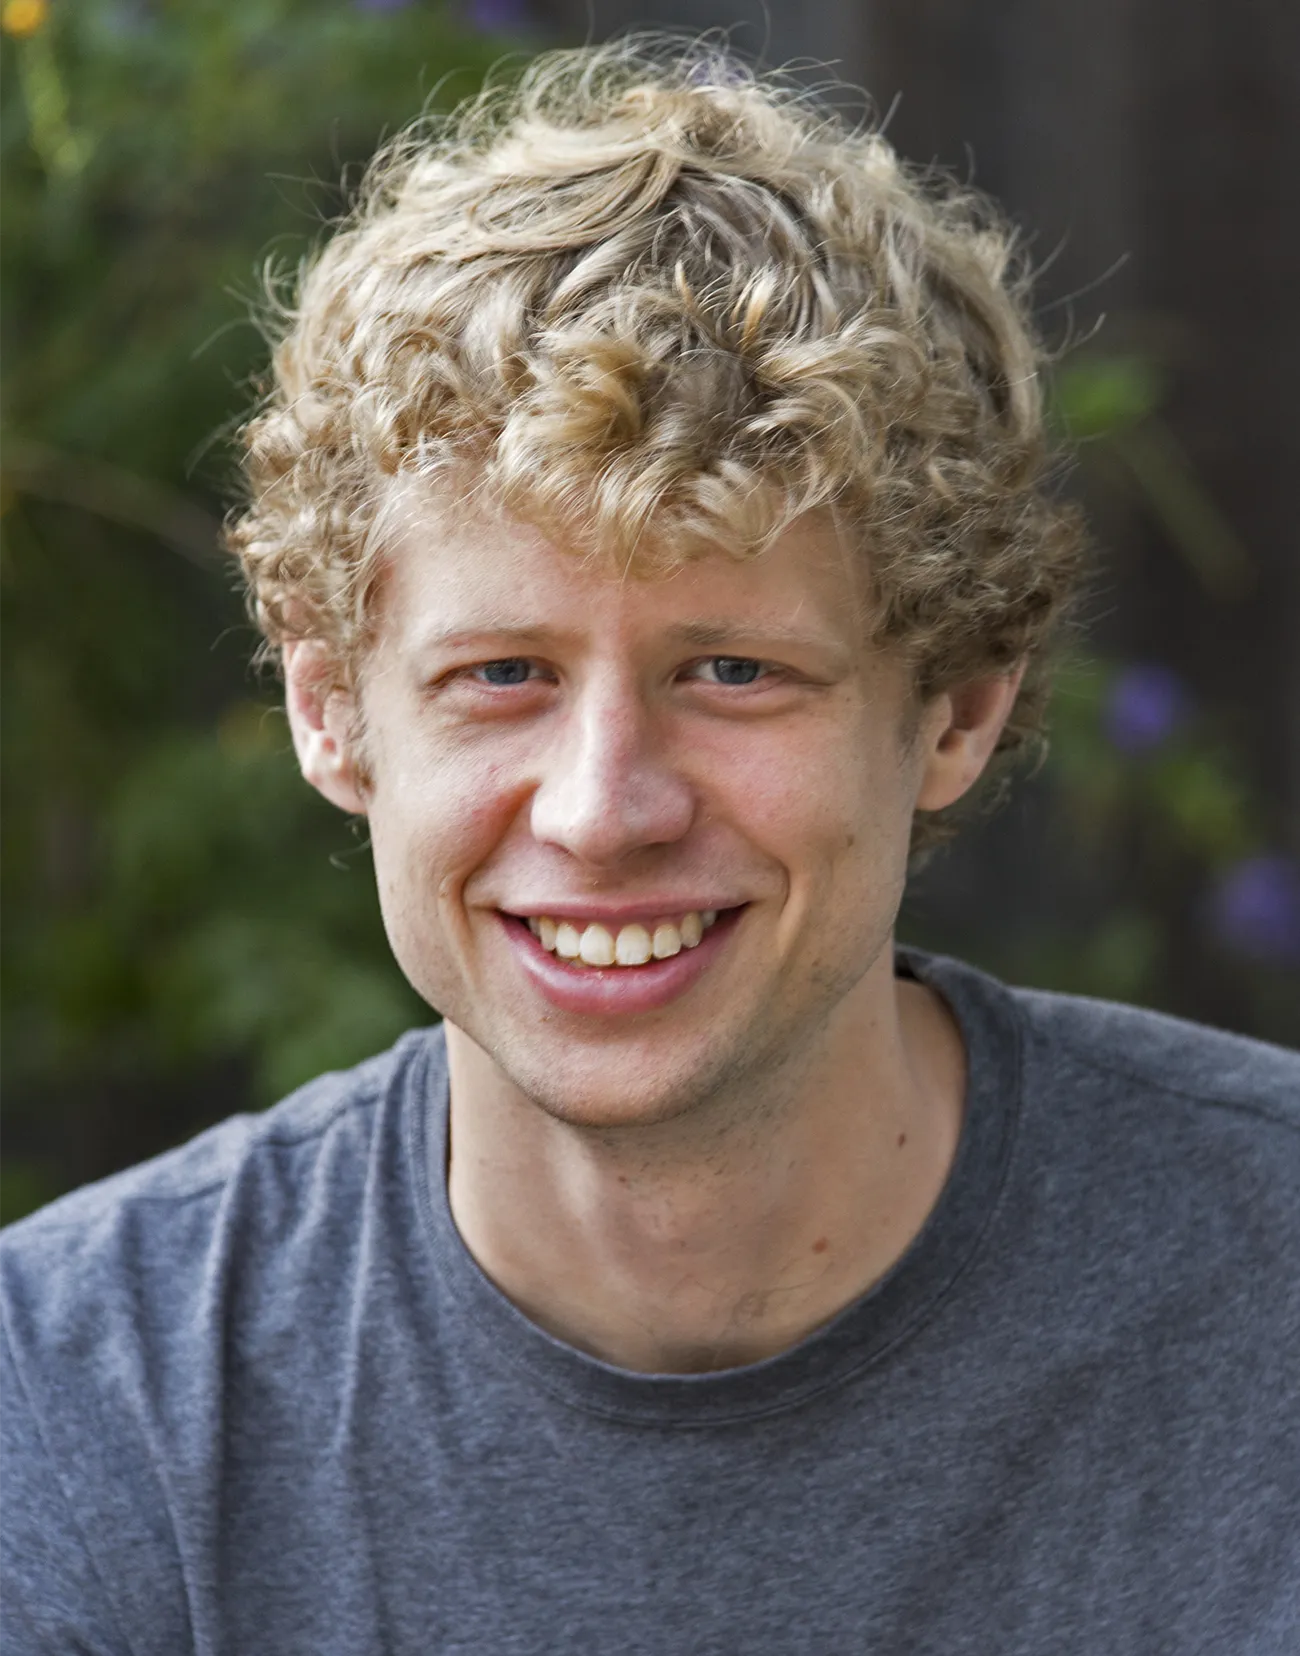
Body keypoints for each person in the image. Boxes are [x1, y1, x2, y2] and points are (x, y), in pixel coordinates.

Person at [3, 37, 1299, 1655]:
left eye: (734, 672)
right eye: (502, 677)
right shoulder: (71, 1408)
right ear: (332, 711)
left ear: (957, 712)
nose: (602, 808)